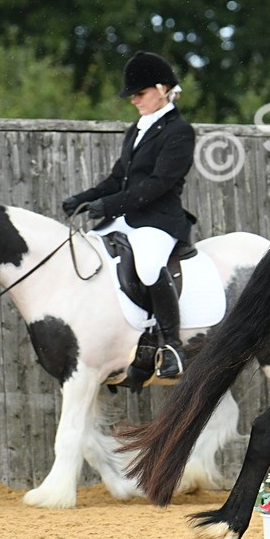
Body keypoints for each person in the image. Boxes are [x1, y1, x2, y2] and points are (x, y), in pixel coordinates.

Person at [62, 51, 196, 380]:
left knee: (148, 264)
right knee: (87, 255)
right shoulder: (135, 129)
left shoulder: (179, 131)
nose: (134, 100)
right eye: (132, 95)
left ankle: (172, 346)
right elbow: (117, 179)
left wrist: (108, 206)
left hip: (158, 220)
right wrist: (85, 198)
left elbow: (158, 184)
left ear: (163, 89)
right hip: (124, 217)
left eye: (140, 93)